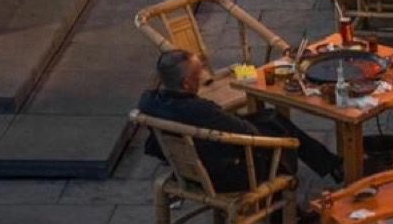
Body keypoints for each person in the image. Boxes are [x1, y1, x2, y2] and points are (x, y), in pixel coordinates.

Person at [138, 47, 342, 189]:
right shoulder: (200, 110)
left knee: (272, 117)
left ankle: (331, 164)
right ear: (185, 84)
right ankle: (283, 207)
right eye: (197, 75)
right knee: (281, 137)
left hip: (190, 163)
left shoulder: (148, 102)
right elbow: (246, 132)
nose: (202, 79)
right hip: (223, 171)